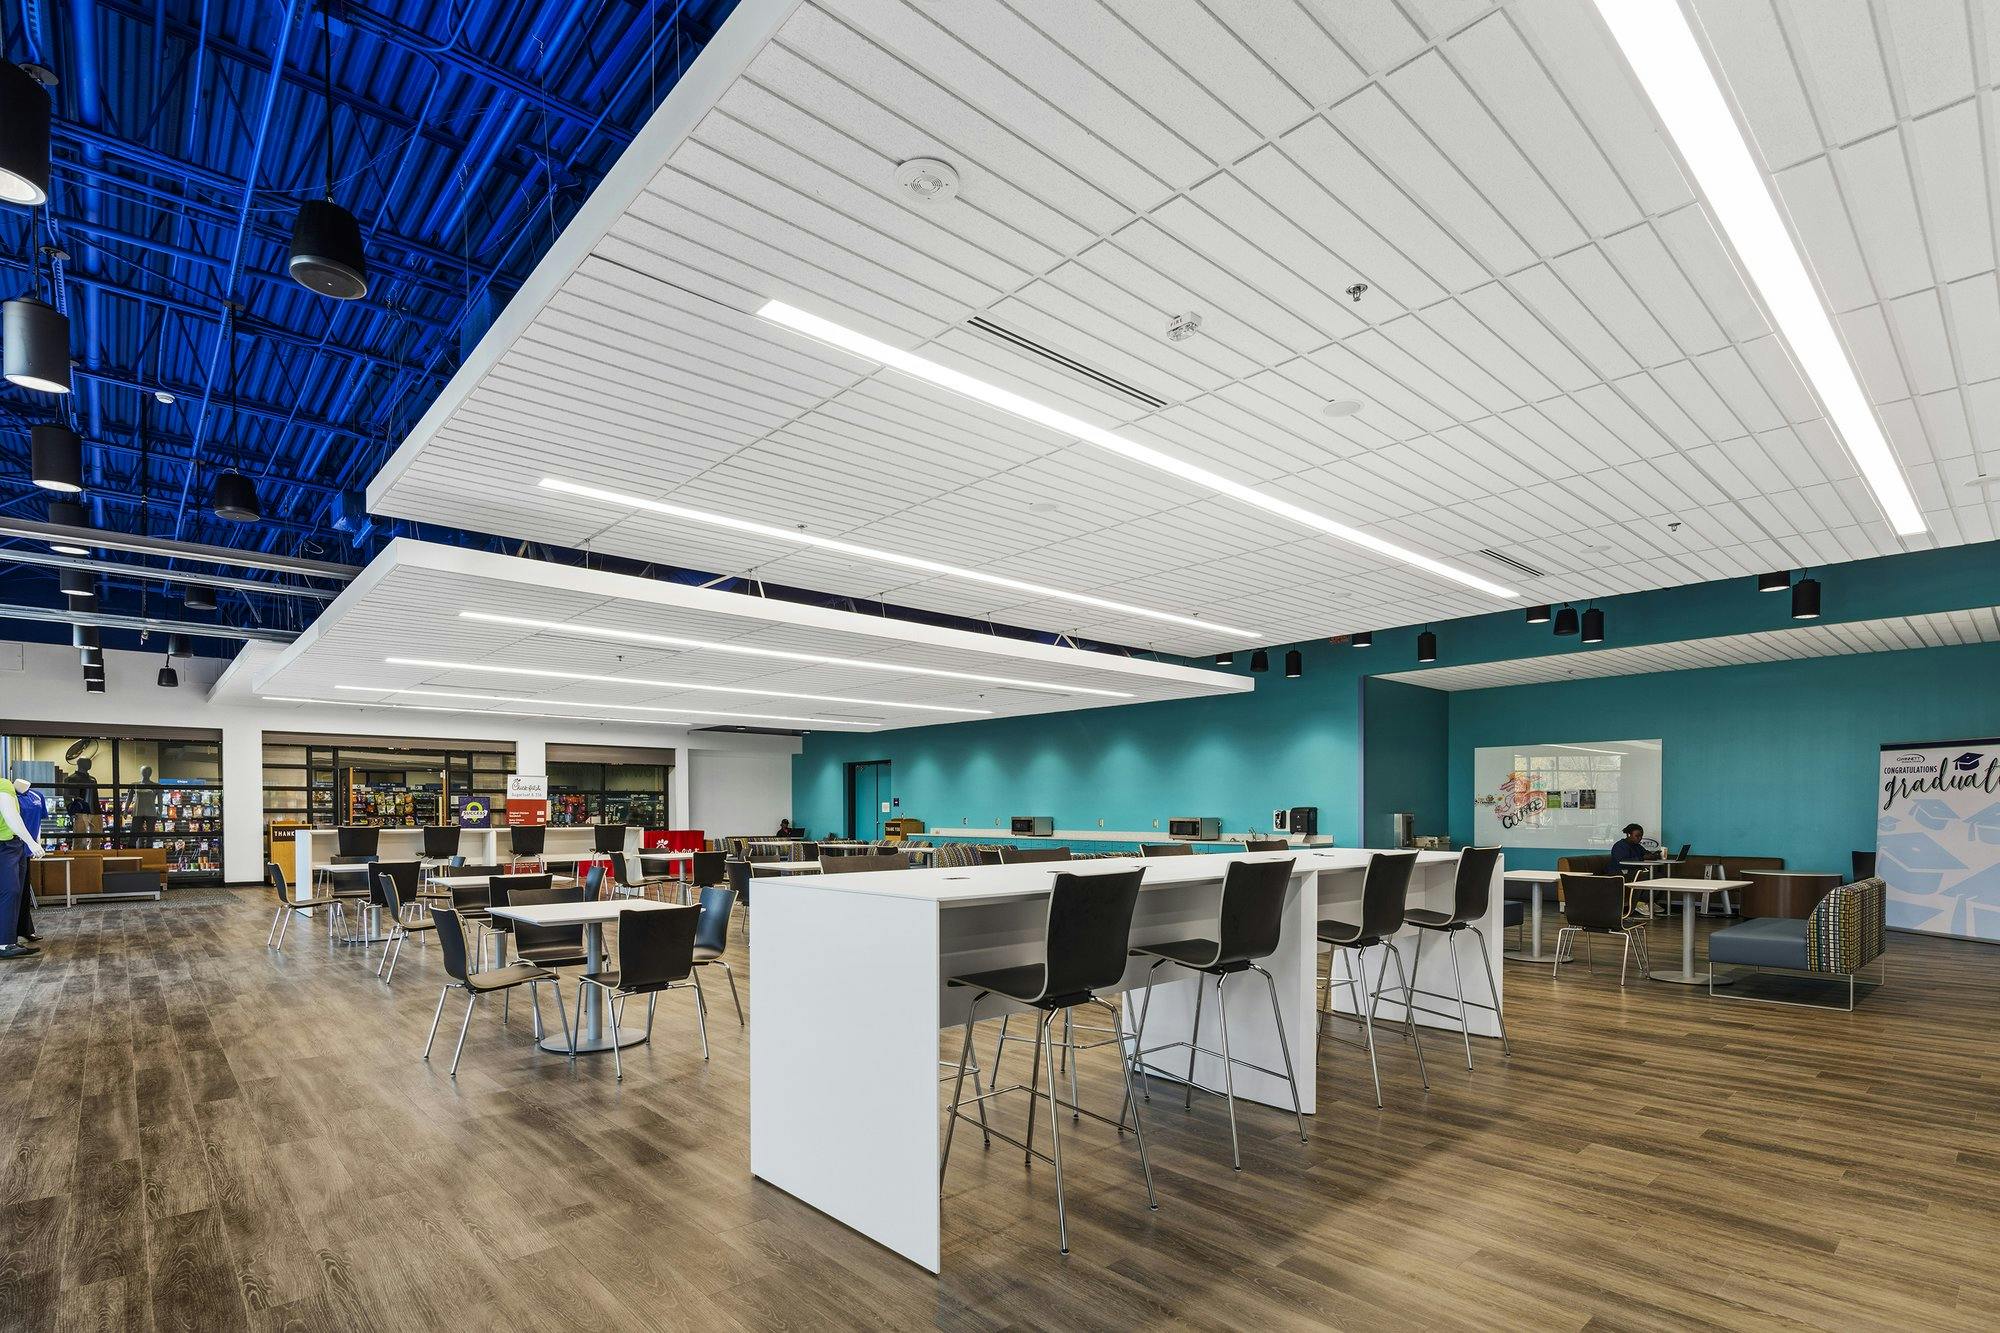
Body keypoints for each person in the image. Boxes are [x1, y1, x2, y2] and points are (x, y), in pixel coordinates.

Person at [0, 778, 45, 959]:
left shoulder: (35, 796)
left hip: (13, 845)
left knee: (13, 892)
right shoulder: (4, 785)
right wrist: (31, 842)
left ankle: (9, 940)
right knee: (10, 891)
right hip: (7, 845)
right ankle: (5, 943)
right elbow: (11, 815)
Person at [12, 779, 44, 944]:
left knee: (23, 892)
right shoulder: (10, 796)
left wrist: (37, 843)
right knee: (11, 892)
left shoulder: (37, 796)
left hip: (27, 850)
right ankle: (9, 935)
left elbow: (38, 823)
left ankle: (25, 930)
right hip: (11, 847)